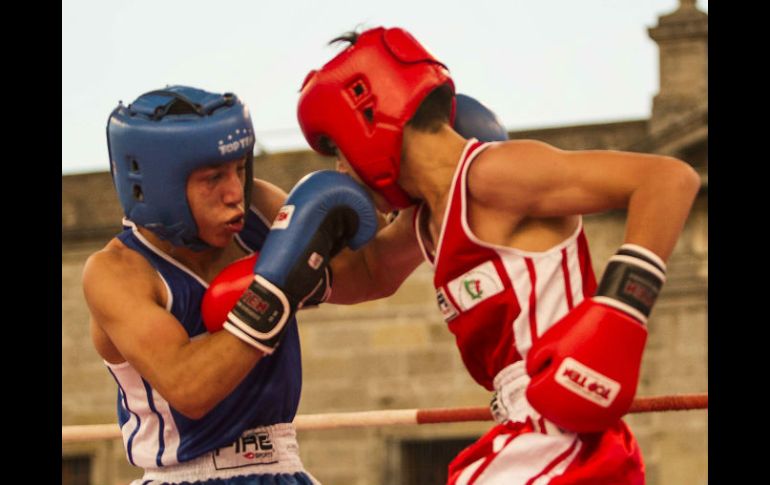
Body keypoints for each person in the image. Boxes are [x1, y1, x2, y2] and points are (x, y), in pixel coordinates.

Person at [296, 27, 701, 484]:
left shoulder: (493, 174)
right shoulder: (430, 219)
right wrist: (260, 217)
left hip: (564, 435)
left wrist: (621, 310)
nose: (341, 170)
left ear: (366, 119)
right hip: (525, 433)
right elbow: (367, 273)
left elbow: (668, 179)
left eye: (338, 150)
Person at [83, 85, 411, 484]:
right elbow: (189, 387)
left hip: (283, 468)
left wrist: (431, 195)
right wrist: (277, 288)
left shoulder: (257, 214)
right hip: (186, 476)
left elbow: (373, 274)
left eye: (240, 168)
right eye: (213, 177)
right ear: (156, 186)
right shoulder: (117, 272)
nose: (234, 193)